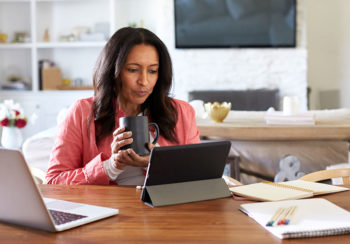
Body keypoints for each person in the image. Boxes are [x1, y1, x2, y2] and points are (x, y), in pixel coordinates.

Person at [45, 27, 201, 185]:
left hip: (163, 208)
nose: (144, 81)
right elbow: (53, 182)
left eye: (152, 71)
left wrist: (159, 164)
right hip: (107, 208)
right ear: (113, 71)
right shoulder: (82, 112)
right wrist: (111, 166)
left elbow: (201, 177)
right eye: (133, 70)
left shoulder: (181, 112)